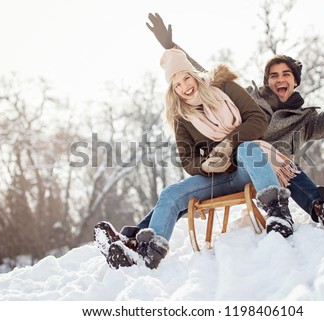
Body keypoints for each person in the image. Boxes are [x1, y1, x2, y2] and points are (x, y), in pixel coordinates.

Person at [140, 12, 324, 230]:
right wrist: (172, 49)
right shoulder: (247, 101)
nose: (279, 79)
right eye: (273, 75)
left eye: (286, 74)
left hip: (278, 176)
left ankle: (320, 208)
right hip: (234, 167)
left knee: (283, 164)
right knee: (179, 192)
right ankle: (138, 234)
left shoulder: (304, 120)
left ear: (295, 82)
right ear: (266, 81)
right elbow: (200, 78)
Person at [94, 48, 301, 270]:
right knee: (170, 194)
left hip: (248, 169)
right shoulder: (182, 117)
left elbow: (258, 119)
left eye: (186, 78)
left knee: (247, 149)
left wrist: (228, 143)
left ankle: (279, 215)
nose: (184, 87)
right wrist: (204, 165)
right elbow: (187, 158)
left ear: (194, 75)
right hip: (217, 178)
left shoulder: (226, 89)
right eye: (177, 85)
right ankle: (146, 254)